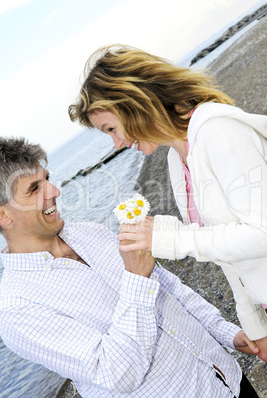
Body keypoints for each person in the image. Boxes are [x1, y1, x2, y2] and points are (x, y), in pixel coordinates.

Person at [0, 137, 261, 397]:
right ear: (3, 215)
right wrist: (136, 277)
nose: (54, 191)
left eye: (47, 178)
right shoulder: (17, 307)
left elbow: (171, 290)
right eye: (35, 189)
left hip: (226, 378)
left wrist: (227, 333)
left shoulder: (91, 233)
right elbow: (116, 373)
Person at [68, 44, 267, 360]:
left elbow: (262, 233)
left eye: (112, 129)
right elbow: (230, 259)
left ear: (135, 105)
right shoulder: (178, 160)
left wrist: (168, 238)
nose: (118, 143)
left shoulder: (218, 131)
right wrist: (257, 328)